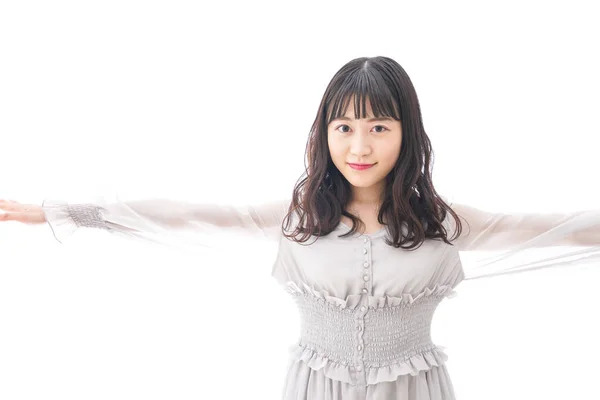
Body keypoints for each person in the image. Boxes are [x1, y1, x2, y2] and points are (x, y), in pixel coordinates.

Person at [2, 56, 600, 400]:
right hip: (314, 388)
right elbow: (183, 211)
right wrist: (62, 211)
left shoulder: (441, 222)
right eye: (344, 127)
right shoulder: (297, 217)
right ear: (325, 133)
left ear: (406, 134)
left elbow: (561, 227)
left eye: (379, 127)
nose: (360, 145)